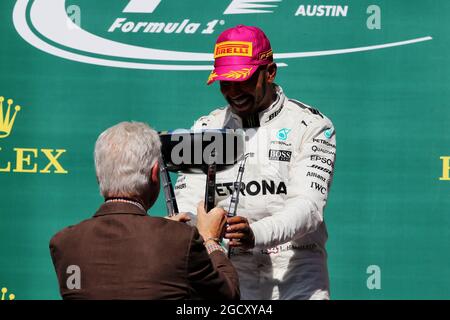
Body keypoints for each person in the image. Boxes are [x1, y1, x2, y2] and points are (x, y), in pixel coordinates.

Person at [175, 25, 336, 300]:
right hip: (230, 269)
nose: (234, 91)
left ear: (270, 72)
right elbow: (189, 202)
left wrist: (254, 234)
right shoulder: (205, 128)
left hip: (296, 271)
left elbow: (308, 208)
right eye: (226, 82)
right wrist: (188, 223)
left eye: (243, 80)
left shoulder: (310, 125)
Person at [49, 121, 240, 300]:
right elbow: (227, 296)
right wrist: (210, 240)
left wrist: (164, 235)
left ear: (100, 176)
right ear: (155, 174)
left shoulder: (64, 244)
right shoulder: (181, 240)